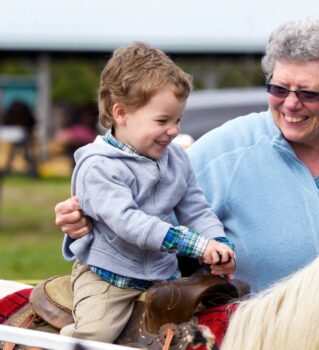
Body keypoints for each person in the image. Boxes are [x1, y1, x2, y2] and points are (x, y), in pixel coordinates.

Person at [55, 17, 319, 294]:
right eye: (278, 88)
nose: (290, 104)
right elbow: (135, 219)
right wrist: (83, 226)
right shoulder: (223, 151)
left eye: (308, 94)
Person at [58, 42, 235, 342]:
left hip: (162, 277)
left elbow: (196, 209)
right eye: (162, 121)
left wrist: (217, 244)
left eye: (177, 119)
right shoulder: (98, 168)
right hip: (109, 278)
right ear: (121, 113)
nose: (174, 130)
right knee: (96, 335)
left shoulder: (176, 158)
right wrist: (194, 244)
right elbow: (130, 223)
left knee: (210, 328)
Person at [1, 100, 38, 177]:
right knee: (27, 155)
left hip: (7, 134)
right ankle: (33, 172)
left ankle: (6, 170)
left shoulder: (8, 116)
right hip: (20, 135)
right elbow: (31, 125)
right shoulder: (23, 121)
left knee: (11, 155)